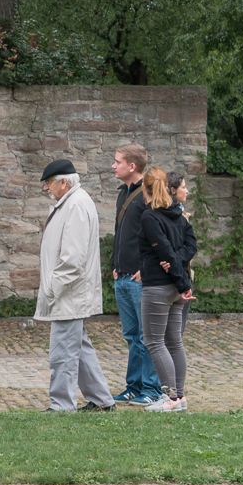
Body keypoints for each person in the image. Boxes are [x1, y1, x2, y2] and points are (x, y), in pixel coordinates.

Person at [37, 158, 116, 413]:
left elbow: (73, 258)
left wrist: (53, 288)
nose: (47, 188)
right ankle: (102, 400)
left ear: (63, 182)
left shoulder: (77, 205)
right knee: (79, 349)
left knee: (63, 352)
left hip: (68, 293)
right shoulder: (69, 203)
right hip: (67, 292)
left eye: (49, 183)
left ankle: (61, 404)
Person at [137, 167, 197, 413]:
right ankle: (180, 396)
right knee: (174, 341)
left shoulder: (151, 217)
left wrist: (176, 268)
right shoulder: (179, 216)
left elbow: (167, 250)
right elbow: (188, 247)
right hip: (175, 287)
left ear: (147, 189)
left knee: (154, 341)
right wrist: (180, 272)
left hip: (159, 287)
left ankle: (170, 396)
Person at [110, 143, 164, 406]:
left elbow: (158, 235)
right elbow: (121, 234)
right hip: (122, 275)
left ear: (132, 166)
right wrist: (114, 263)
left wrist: (147, 268)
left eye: (117, 161)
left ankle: (152, 388)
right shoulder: (123, 193)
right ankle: (134, 385)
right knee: (132, 336)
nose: (113, 165)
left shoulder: (148, 194)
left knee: (147, 336)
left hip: (140, 278)